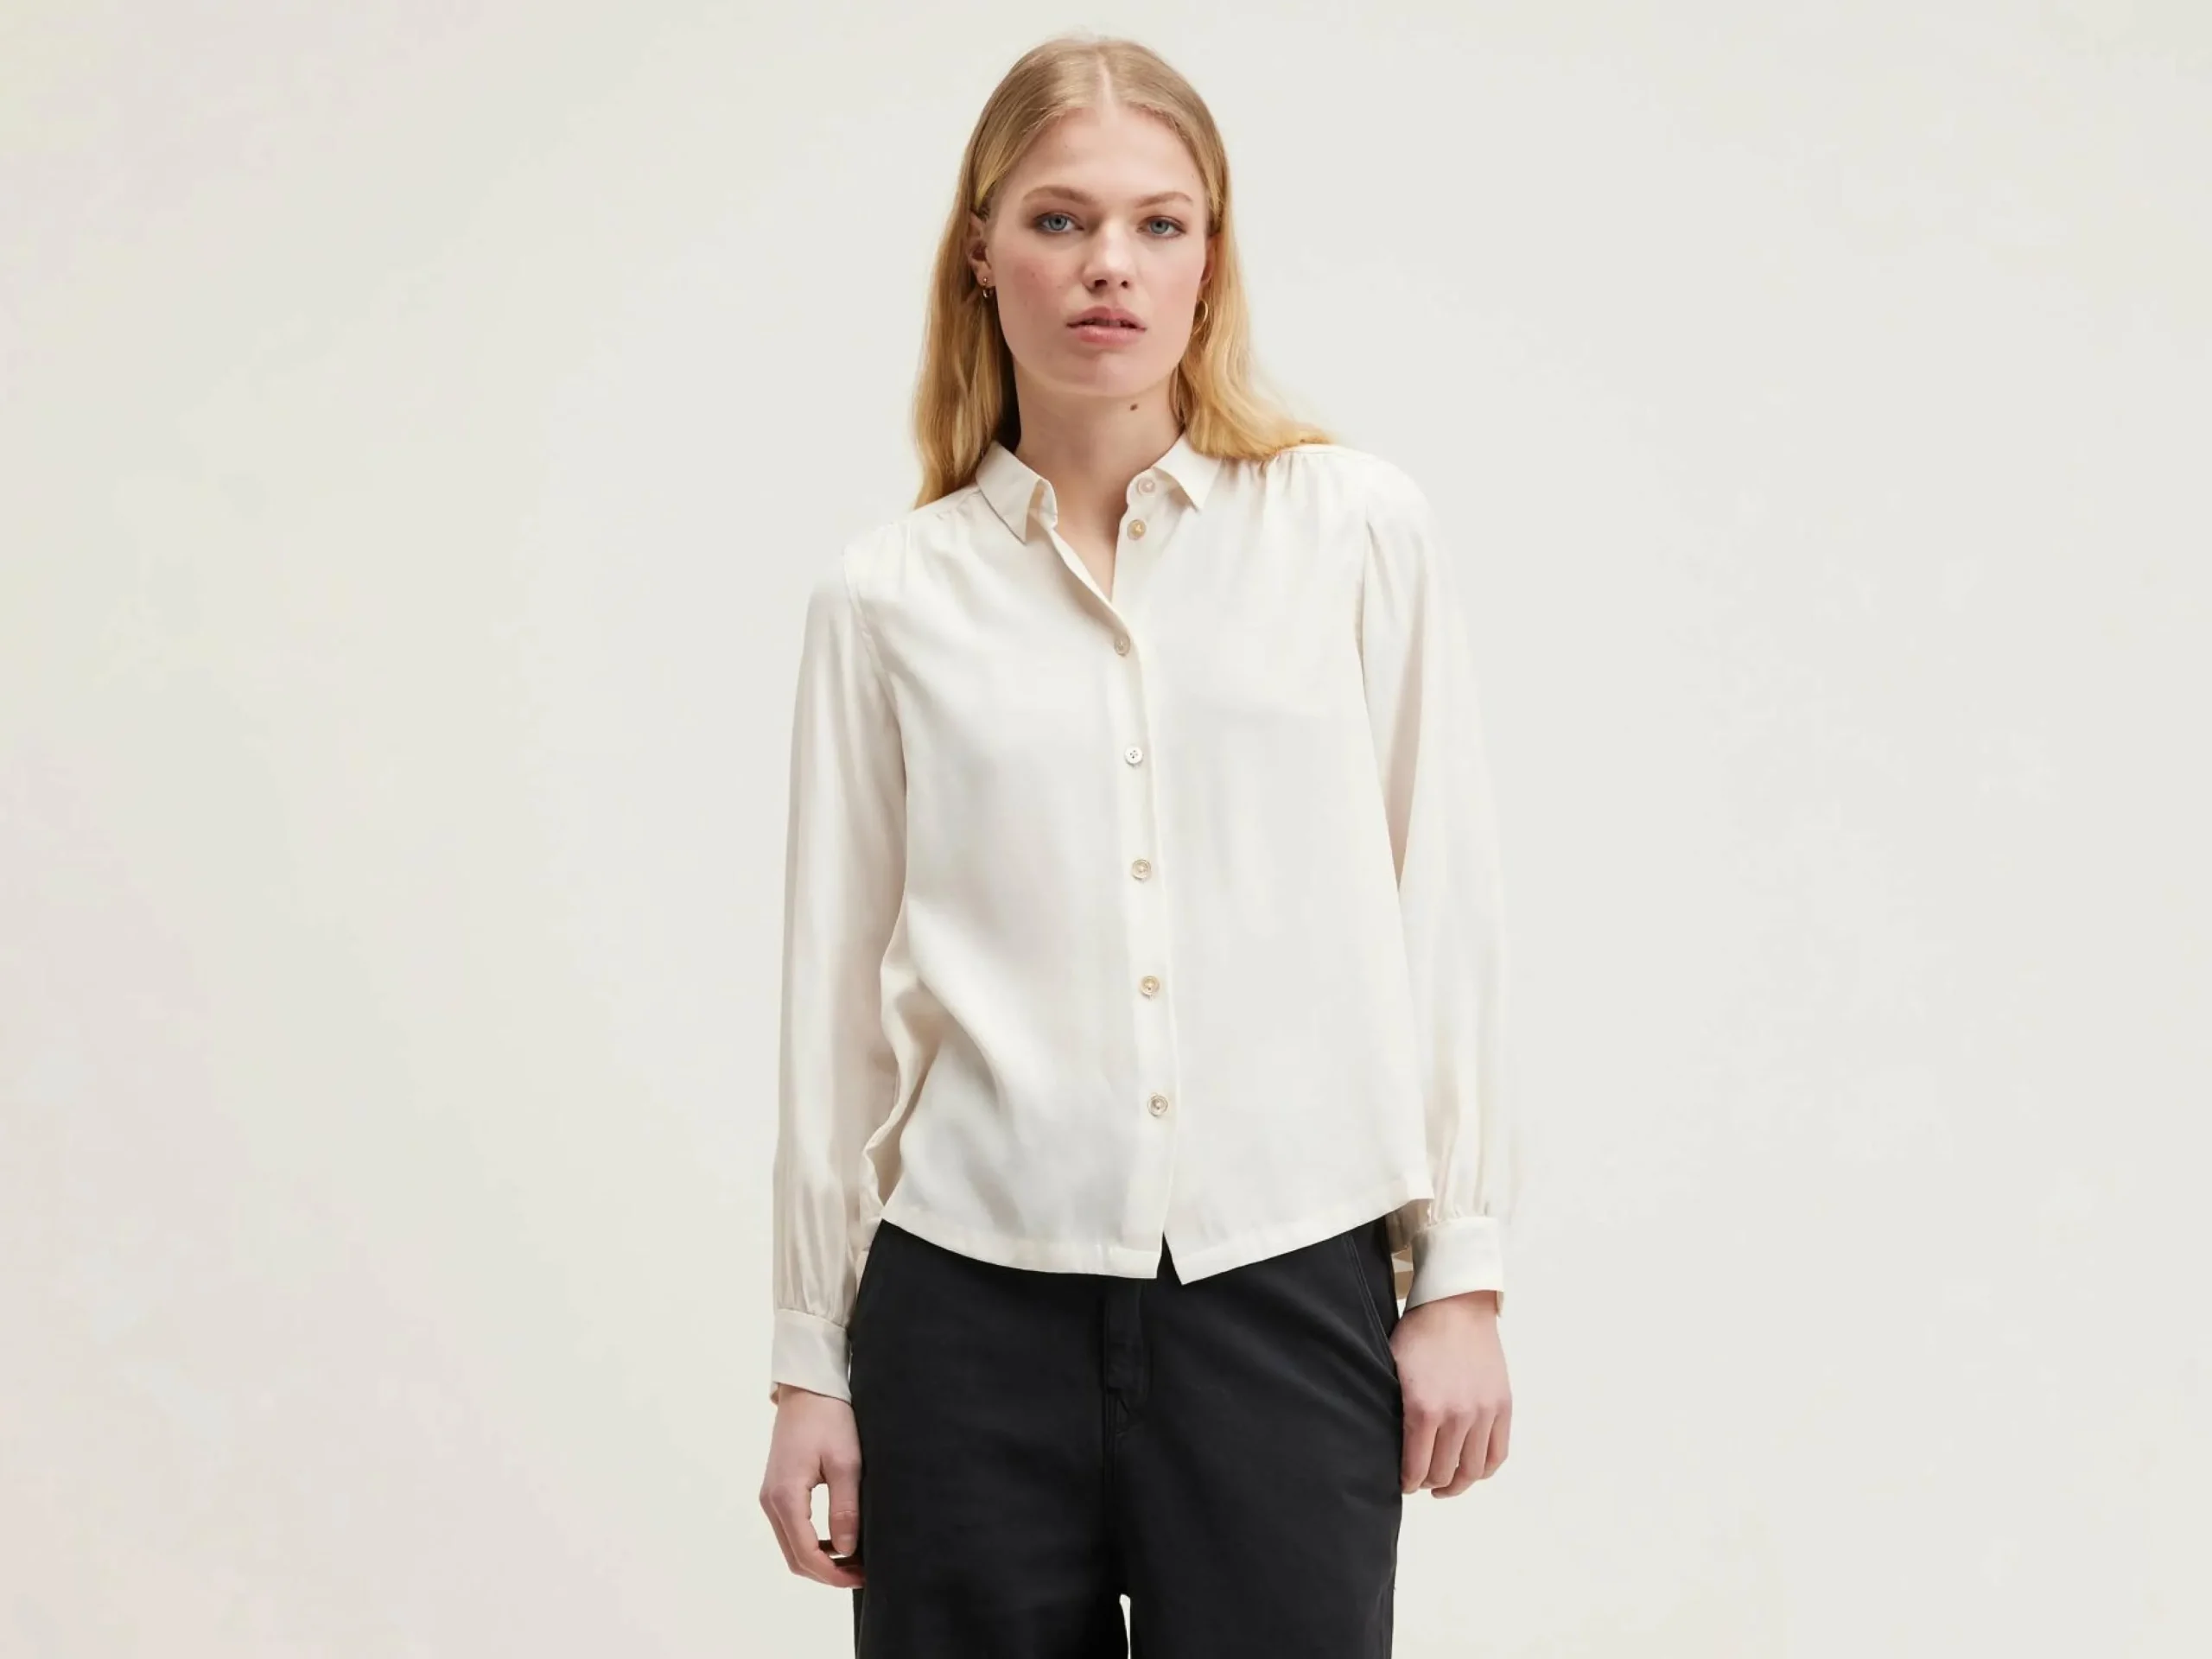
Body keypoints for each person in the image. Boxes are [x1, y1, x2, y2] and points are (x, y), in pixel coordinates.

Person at [758, 32, 1519, 1658]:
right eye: (1060, 219)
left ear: (1208, 259)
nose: (1110, 263)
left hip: (1281, 1286)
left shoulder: (1352, 533)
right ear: (982, 250)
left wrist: (1459, 1272)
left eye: (1158, 224)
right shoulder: (887, 600)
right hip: (965, 1315)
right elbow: (835, 1013)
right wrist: (808, 1361)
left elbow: (1441, 910)